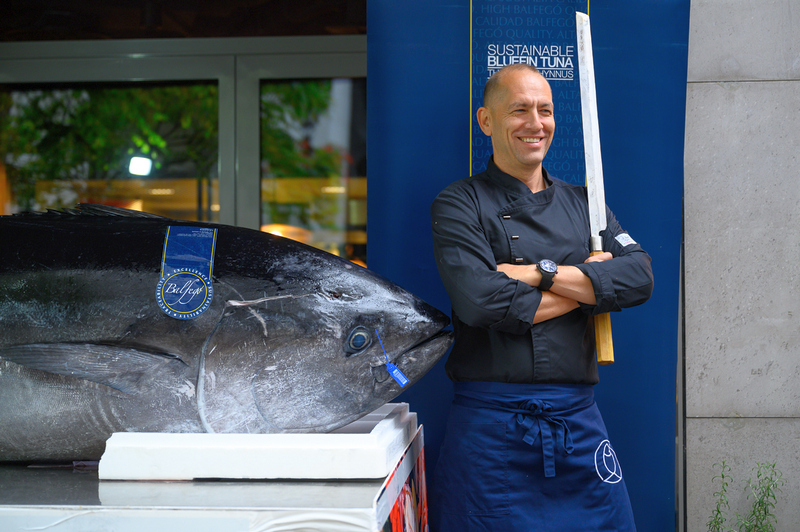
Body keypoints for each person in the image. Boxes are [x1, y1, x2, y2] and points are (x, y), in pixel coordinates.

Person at [429, 63, 654, 531]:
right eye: (520, 110)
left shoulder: (585, 204)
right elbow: (482, 302)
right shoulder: (458, 204)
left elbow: (638, 277)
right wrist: (592, 288)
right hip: (491, 432)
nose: (536, 123)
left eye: (545, 110)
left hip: (578, 422)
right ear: (486, 121)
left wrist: (538, 273)